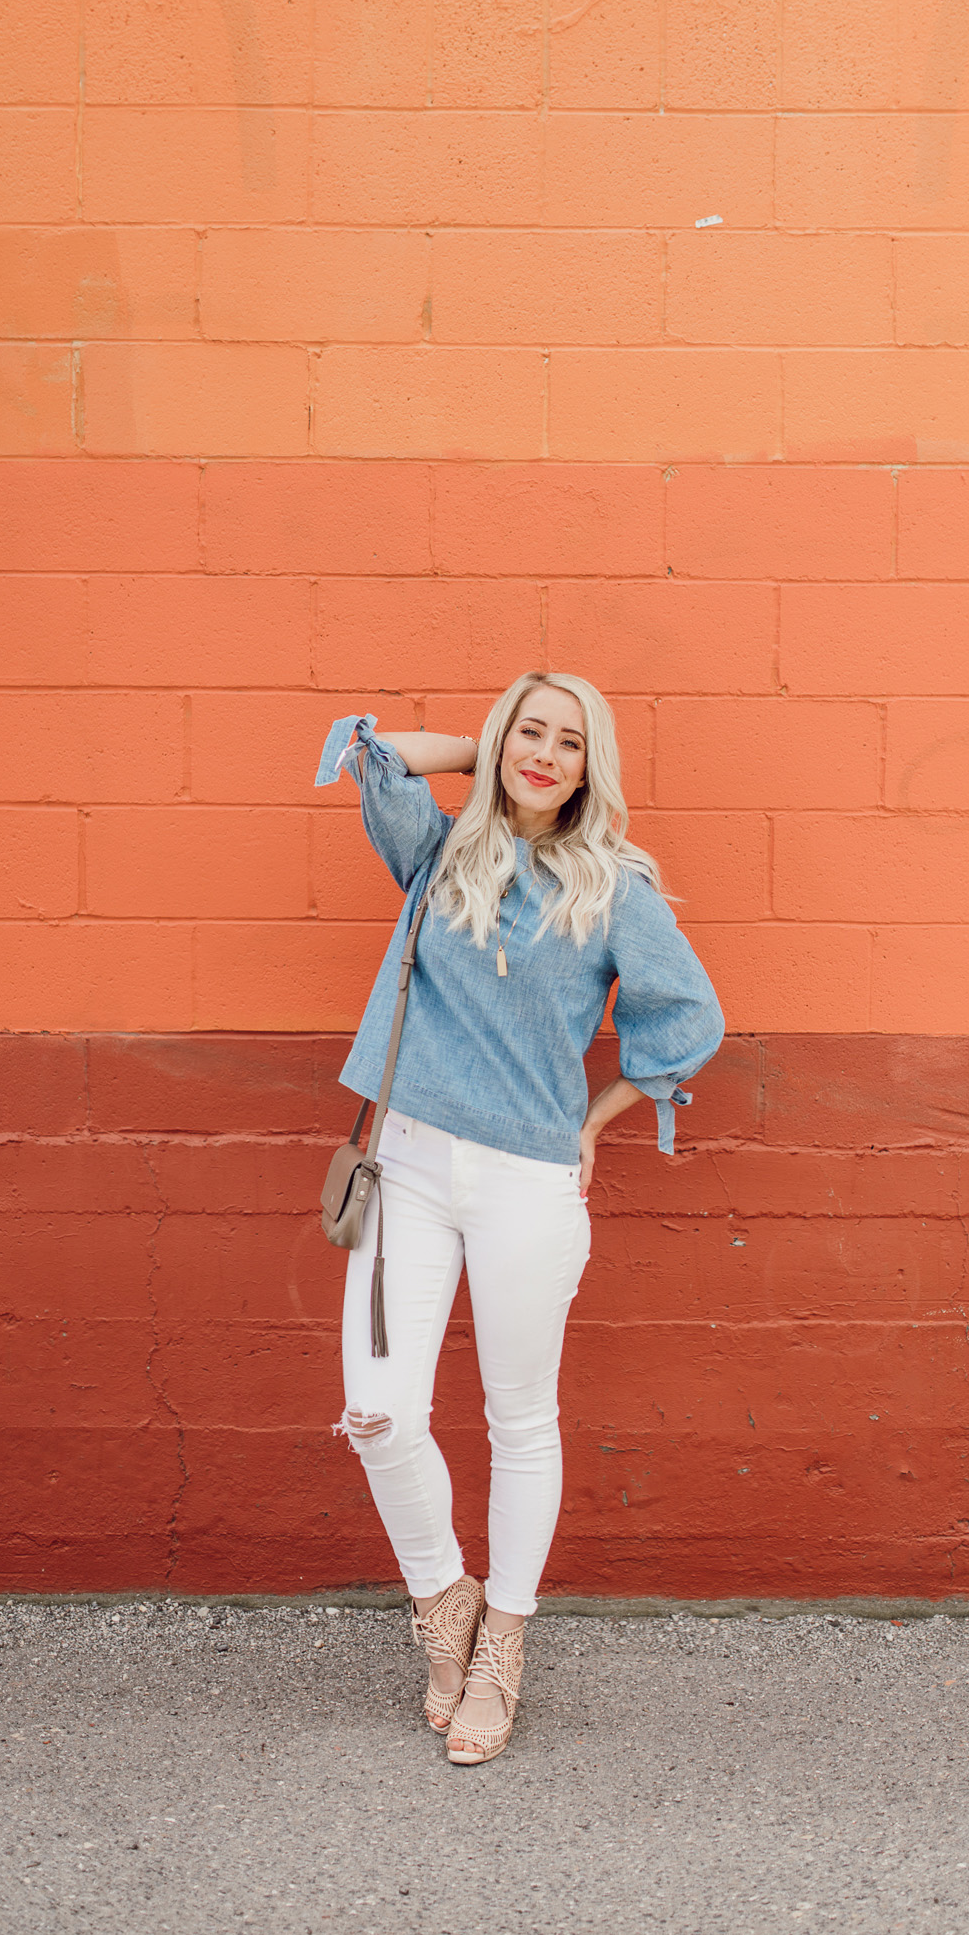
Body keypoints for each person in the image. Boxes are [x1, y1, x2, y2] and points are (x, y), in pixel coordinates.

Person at [314, 671, 724, 1764]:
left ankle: (502, 1640)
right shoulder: (441, 849)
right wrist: (482, 745)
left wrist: (598, 1115)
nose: (546, 755)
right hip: (406, 1164)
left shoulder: (615, 887)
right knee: (379, 1411)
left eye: (568, 743)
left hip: (528, 1183)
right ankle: (442, 1597)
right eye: (530, 733)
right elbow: (372, 751)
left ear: (594, 768)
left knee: (520, 1419)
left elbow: (689, 1018)